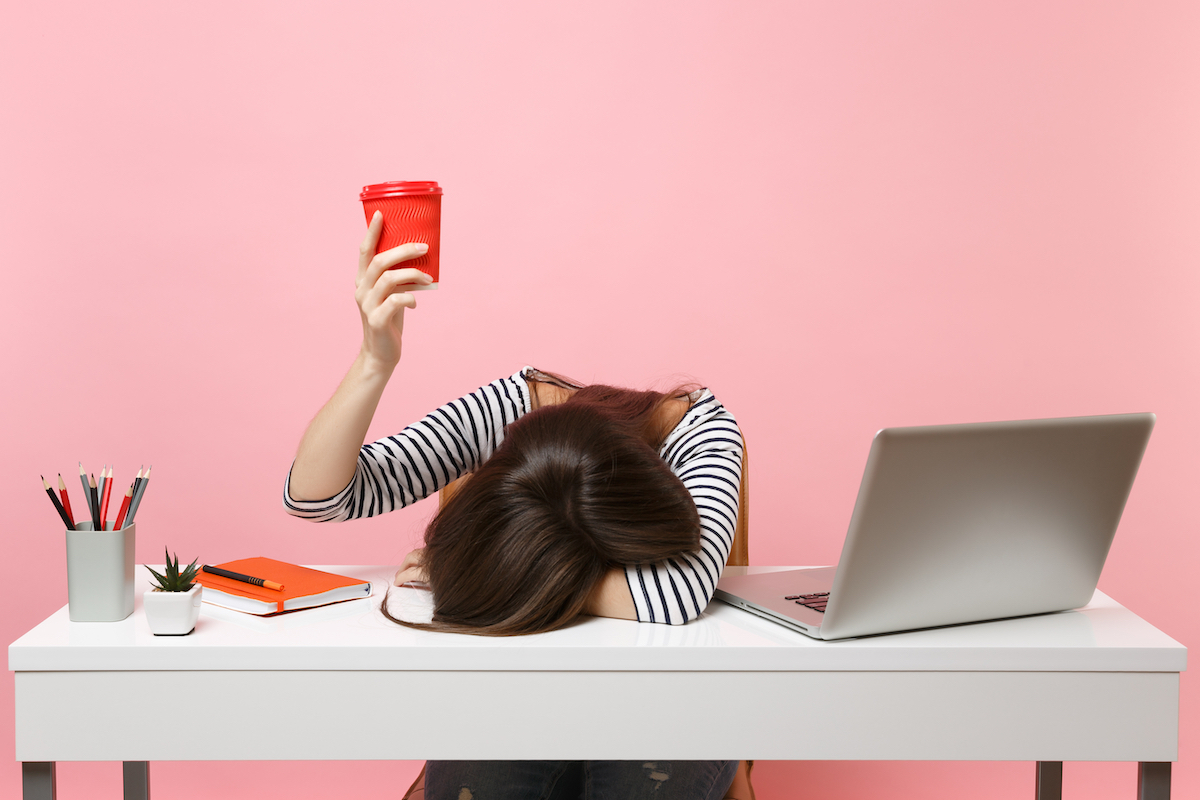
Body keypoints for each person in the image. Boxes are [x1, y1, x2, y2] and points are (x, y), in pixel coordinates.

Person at [284, 211, 744, 799]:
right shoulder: (518, 410)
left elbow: (676, 594)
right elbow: (320, 497)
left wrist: (478, 572)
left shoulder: (698, 432)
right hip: (523, 693)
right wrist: (376, 358)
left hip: (664, 701)